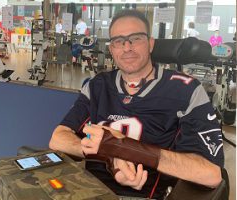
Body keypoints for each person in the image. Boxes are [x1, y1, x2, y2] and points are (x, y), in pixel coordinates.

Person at [49, 9, 224, 199]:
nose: (127, 47)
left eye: (136, 38)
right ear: (111, 49)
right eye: (118, 41)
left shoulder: (185, 90)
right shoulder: (98, 85)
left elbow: (211, 174)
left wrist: (125, 148)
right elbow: (58, 138)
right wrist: (108, 154)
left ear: (150, 44)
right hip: (88, 191)